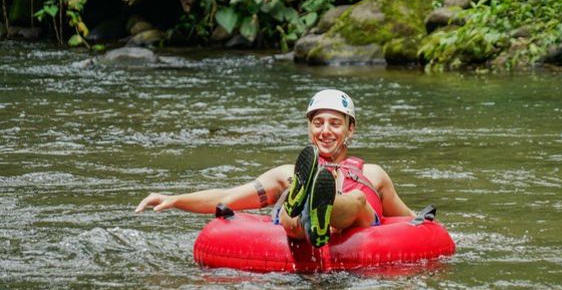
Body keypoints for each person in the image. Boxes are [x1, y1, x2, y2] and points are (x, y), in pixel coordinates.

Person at [135, 89, 414, 247]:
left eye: (335, 123)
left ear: (350, 130)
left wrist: (437, 228)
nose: (325, 131)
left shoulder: (373, 174)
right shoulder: (288, 173)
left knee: (358, 200)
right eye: (318, 123)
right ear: (309, 129)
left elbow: (408, 220)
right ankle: (305, 210)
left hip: (356, 220)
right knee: (291, 215)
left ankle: (317, 205)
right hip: (300, 232)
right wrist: (176, 199)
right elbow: (228, 197)